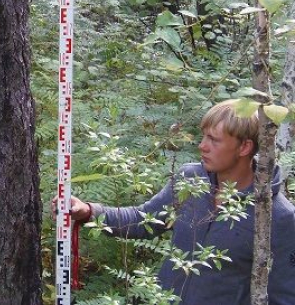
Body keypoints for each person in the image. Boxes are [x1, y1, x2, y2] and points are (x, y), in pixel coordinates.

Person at [53, 100, 295, 305]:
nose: (202, 146)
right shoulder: (189, 180)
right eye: (203, 136)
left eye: (214, 139)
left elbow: (284, 295)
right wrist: (89, 212)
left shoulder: (278, 216)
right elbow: (143, 219)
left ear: (244, 147)